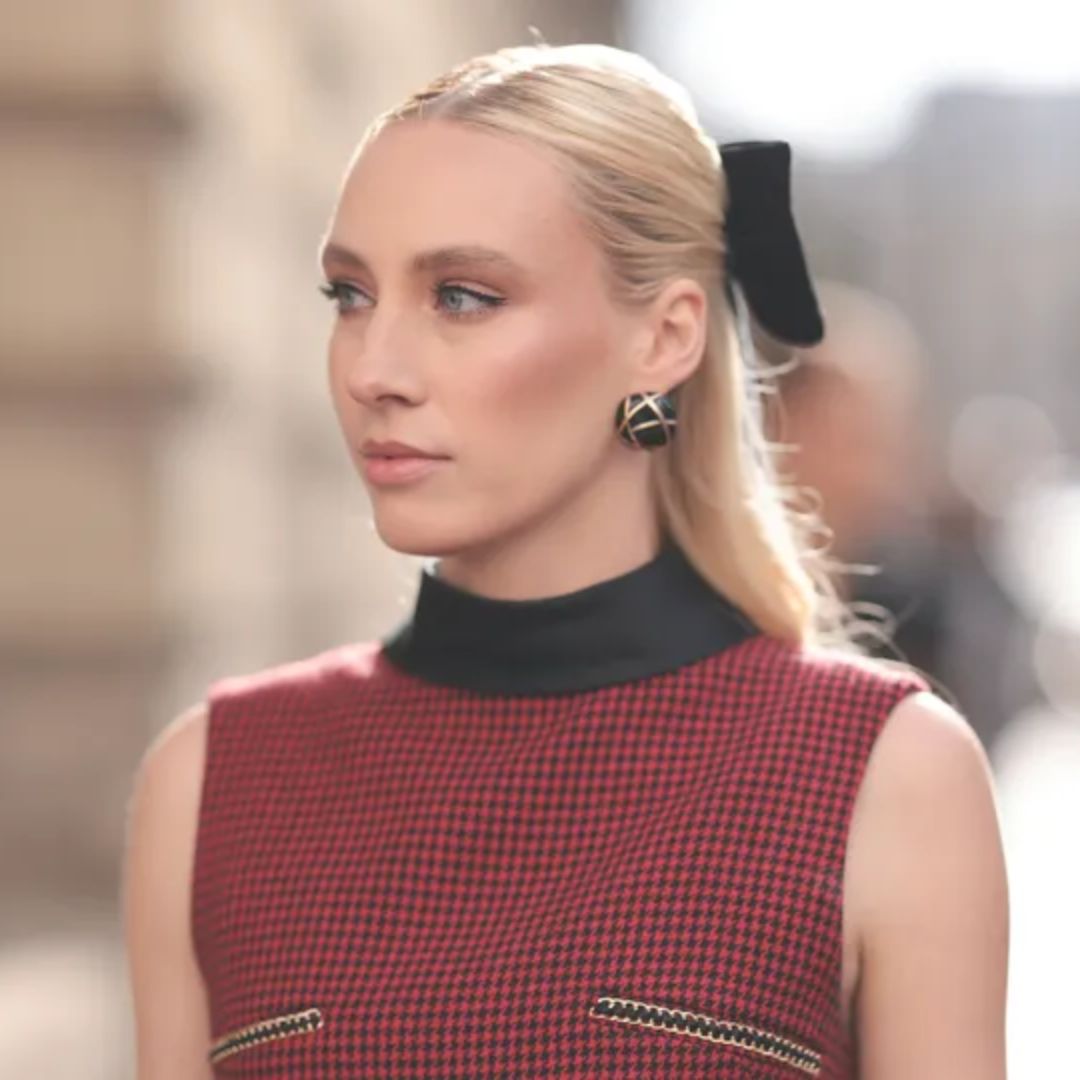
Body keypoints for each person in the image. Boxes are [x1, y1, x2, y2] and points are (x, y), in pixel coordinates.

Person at [122, 43, 1008, 1079]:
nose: (373, 369)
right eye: (349, 295)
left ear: (664, 338)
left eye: (462, 296)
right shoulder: (215, 780)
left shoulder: (883, 775)